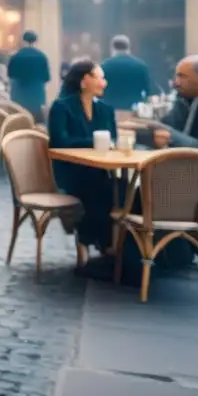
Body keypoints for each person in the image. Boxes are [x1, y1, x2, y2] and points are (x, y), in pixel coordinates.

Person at [47, 60, 117, 253]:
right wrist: (93, 142)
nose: (105, 83)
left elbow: (114, 139)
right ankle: (102, 242)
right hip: (70, 169)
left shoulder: (106, 110)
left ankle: (93, 239)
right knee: (101, 187)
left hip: (100, 169)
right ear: (85, 80)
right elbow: (60, 141)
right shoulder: (61, 107)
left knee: (118, 188)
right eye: (101, 78)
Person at [139, 55, 198, 158]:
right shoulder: (186, 99)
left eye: (181, 76)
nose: (175, 83)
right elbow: (164, 128)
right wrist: (135, 131)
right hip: (184, 164)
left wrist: (169, 135)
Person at [7, 30, 50, 121]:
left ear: (23, 41)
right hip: (37, 100)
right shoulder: (42, 57)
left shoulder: (15, 57)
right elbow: (47, 78)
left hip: (18, 101)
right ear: (36, 41)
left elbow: (10, 75)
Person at [101, 35, 153, 111]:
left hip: (110, 110)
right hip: (134, 110)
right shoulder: (141, 66)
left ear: (112, 48)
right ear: (128, 47)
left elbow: (99, 90)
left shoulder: (104, 66)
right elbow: (148, 90)